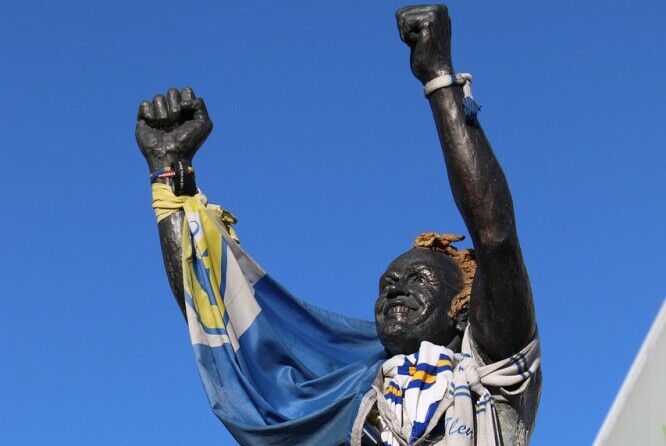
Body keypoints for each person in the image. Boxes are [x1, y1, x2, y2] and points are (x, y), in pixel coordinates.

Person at [136, 5, 540, 445]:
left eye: (420, 280)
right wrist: (167, 169)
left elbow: (495, 237)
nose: (395, 290)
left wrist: (439, 78)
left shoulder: (491, 369)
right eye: (387, 283)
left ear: (462, 307)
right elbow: (220, 319)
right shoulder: (343, 404)